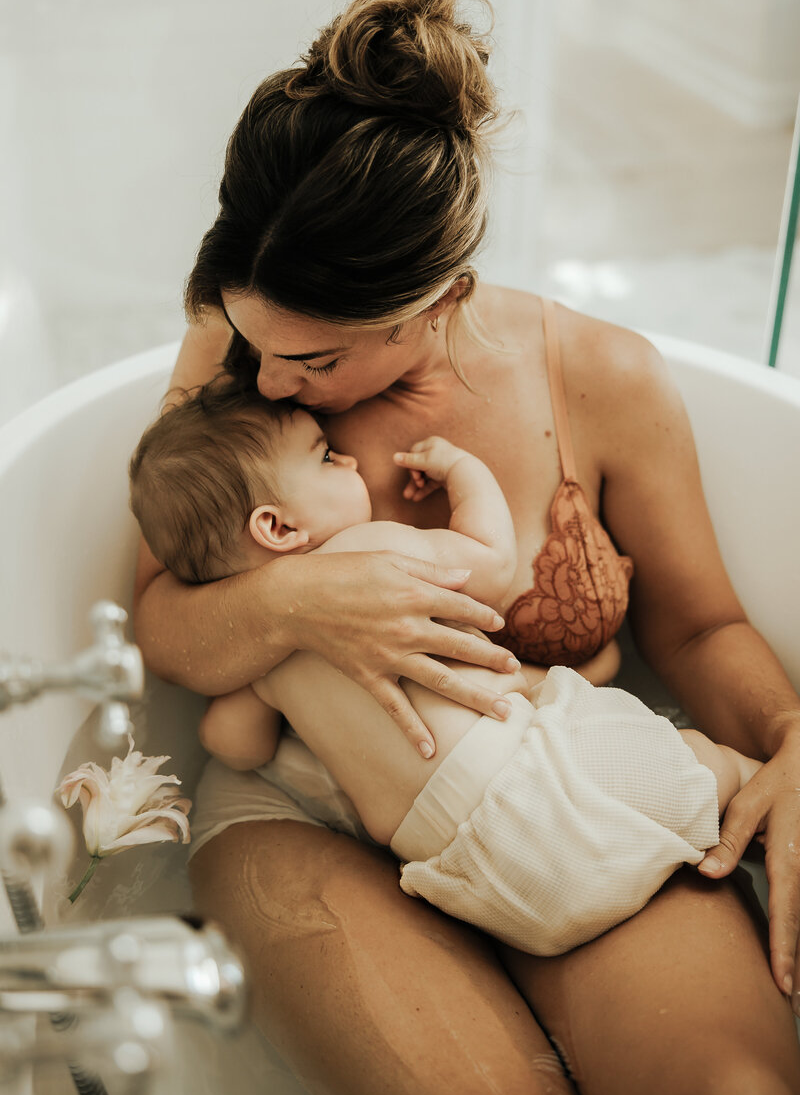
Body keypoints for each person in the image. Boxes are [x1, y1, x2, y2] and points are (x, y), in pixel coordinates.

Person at [132, 0, 800, 1095]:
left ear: (439, 297)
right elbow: (159, 620)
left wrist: (791, 744)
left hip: (555, 797)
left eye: (318, 364)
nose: (274, 383)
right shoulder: (245, 344)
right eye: (255, 348)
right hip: (307, 814)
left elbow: (697, 628)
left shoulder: (600, 382)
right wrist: (301, 606)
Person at [129, 382, 761, 957]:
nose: (347, 461)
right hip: (540, 785)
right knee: (703, 762)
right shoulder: (369, 553)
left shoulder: (259, 664)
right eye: (325, 458)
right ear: (278, 526)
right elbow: (489, 566)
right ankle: (758, 787)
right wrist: (464, 472)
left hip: (479, 881)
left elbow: (232, 746)